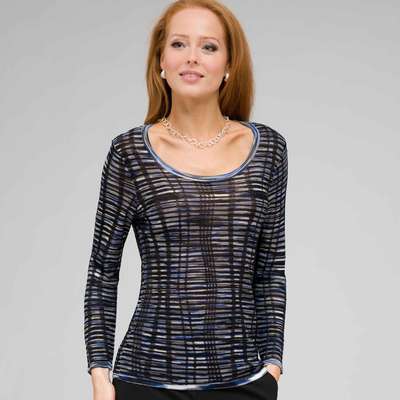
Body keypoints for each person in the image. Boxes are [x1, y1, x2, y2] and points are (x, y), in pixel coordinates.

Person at [83, 0, 288, 399]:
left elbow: (269, 271)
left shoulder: (268, 150)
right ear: (161, 61)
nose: (192, 57)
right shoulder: (131, 153)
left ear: (229, 65)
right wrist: (99, 376)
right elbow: (102, 273)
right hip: (146, 382)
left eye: (208, 46)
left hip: (244, 383)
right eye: (179, 44)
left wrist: (272, 366)